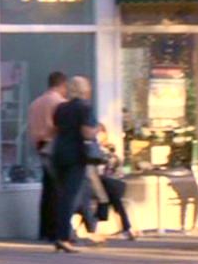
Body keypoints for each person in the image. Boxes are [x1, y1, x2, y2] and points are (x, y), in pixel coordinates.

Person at [51, 76, 98, 254]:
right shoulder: (85, 107)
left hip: (59, 153)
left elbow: (56, 128)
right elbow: (87, 133)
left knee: (62, 195)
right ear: (85, 90)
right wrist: (97, 130)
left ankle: (60, 234)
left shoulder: (61, 108)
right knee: (70, 197)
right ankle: (63, 237)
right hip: (76, 156)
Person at [28, 72, 68, 242]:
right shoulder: (60, 104)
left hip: (40, 145)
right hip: (54, 146)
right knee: (57, 189)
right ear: (62, 85)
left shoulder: (35, 103)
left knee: (47, 189)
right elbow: (61, 127)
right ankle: (55, 230)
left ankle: (44, 230)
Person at [98, 124, 136, 240]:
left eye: (99, 133)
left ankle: (100, 215)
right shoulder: (93, 149)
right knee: (113, 198)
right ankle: (126, 228)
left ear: (104, 134)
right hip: (107, 187)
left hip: (113, 183)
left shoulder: (108, 150)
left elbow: (106, 170)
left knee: (107, 189)